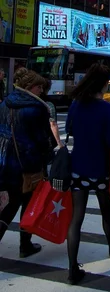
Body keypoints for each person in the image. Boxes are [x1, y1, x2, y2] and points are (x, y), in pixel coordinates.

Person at [66, 64, 110, 285]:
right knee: (106, 209)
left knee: (76, 217)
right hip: (100, 168)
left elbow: (70, 130)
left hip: (78, 166)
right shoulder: (107, 109)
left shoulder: (76, 105)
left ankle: (73, 268)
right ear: (104, 83)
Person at [0, 70, 52, 257]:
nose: (41, 90)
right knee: (29, 203)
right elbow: (42, 140)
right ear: (30, 88)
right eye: (39, 87)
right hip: (28, 163)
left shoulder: (5, 103)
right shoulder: (36, 108)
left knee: (11, 203)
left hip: (6, 161)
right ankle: (25, 245)